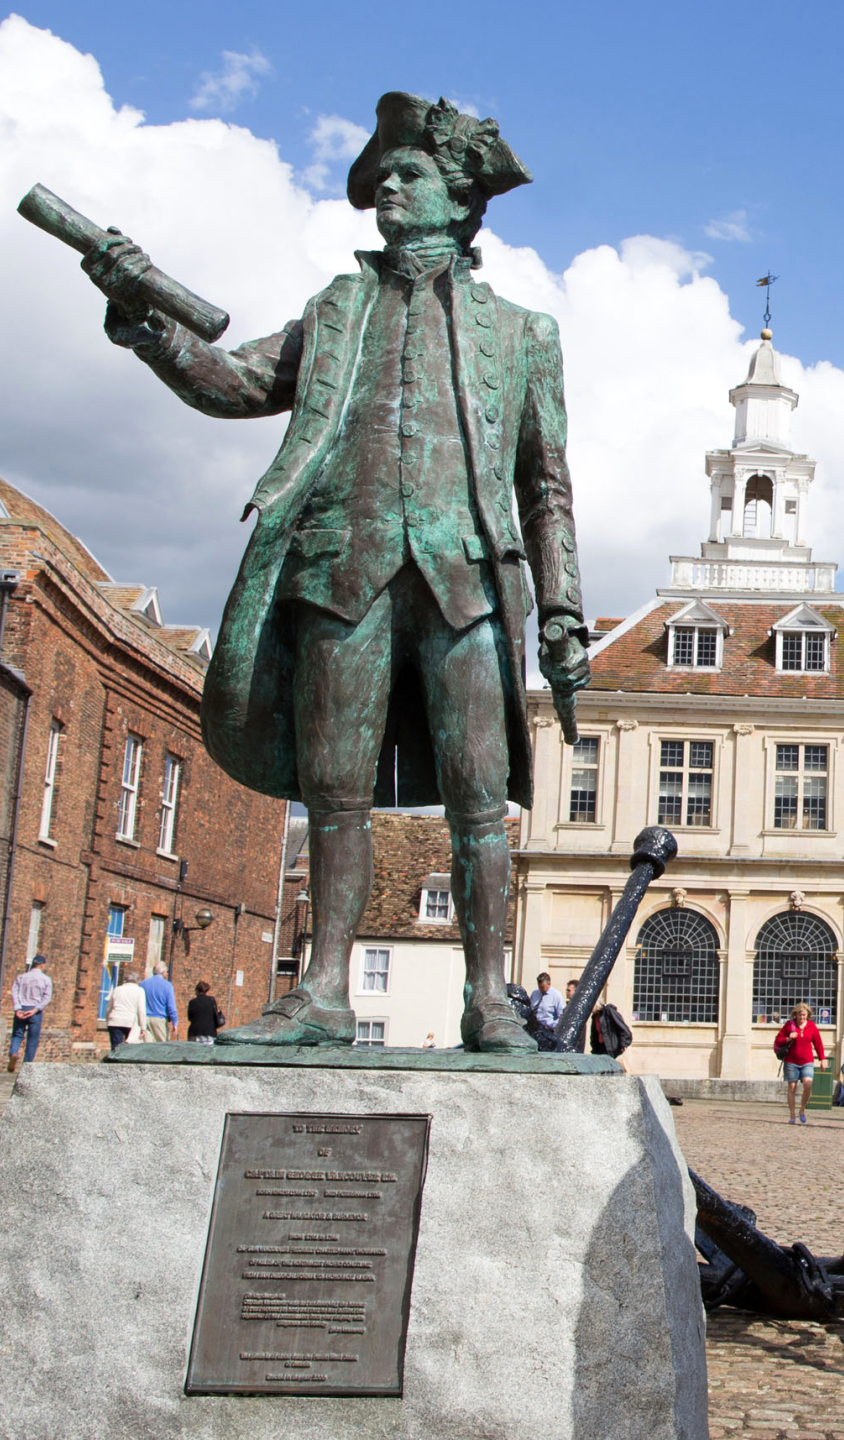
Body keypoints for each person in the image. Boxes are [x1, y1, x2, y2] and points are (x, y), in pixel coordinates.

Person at [80, 92, 583, 1053]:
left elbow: (545, 484)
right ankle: (321, 995)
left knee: (481, 794)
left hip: (466, 572)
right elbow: (234, 384)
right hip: (338, 568)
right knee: (335, 790)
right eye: (383, 175)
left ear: (461, 195)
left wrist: (561, 607)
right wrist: (144, 316)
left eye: (411, 173)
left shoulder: (524, 334)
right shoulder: (336, 309)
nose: (388, 187)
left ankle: (487, 999)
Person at [774, 1003, 826, 1125]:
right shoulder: (789, 1025)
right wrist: (788, 1038)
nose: (801, 1017)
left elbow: (818, 1043)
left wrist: (822, 1059)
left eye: (804, 1015)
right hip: (791, 1061)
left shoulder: (812, 1026)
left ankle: (802, 1110)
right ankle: (792, 1114)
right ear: (795, 1015)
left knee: (808, 1085)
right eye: (799, 1015)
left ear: (808, 1015)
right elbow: (778, 1039)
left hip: (807, 1061)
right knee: (792, 1088)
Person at [6, 955, 50, 1071]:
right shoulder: (46, 979)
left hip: (22, 1008)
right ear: (41, 965)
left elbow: (14, 993)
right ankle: (26, 1066)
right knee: (32, 1039)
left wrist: (18, 1009)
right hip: (35, 1011)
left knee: (17, 1034)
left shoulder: (21, 978)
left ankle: (14, 1052)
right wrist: (35, 1009)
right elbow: (46, 997)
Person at [106, 970, 149, 1051]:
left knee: (115, 1047)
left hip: (115, 1020)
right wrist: (143, 1027)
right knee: (130, 1048)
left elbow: (109, 1008)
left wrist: (107, 1019)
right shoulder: (139, 990)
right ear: (137, 981)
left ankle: (114, 1062)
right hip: (130, 1021)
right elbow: (141, 1010)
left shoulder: (117, 989)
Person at [140, 964, 179, 1044]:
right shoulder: (167, 986)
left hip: (145, 1019)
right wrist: (175, 1023)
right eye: (166, 972)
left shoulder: (143, 984)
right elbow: (171, 1006)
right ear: (164, 972)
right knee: (162, 1047)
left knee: (147, 1047)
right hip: (159, 1019)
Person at [529, 972, 564, 1049]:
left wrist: (552, 1025)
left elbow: (561, 1016)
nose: (541, 989)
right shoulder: (535, 993)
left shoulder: (556, 995)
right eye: (539, 987)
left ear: (549, 984)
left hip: (548, 1030)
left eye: (543, 987)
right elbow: (531, 1008)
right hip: (534, 1028)